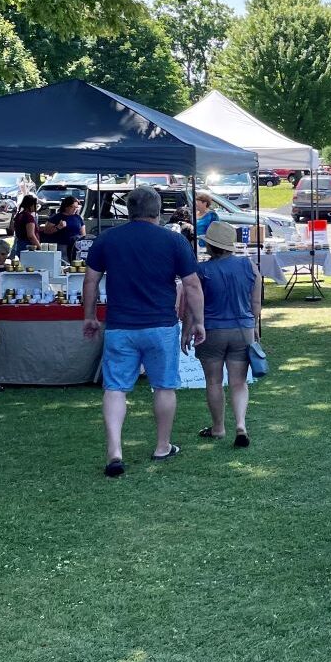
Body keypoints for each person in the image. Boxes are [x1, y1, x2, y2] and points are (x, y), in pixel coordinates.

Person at [82, 186, 204, 477]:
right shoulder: (174, 241)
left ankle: (114, 450)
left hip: (121, 325)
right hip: (160, 325)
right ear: (158, 210)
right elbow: (192, 285)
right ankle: (162, 445)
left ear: (129, 210)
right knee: (163, 386)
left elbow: (90, 281)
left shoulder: (107, 239)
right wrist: (198, 321)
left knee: (115, 388)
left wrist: (88, 316)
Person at [194, 221, 260, 448]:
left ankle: (218, 427)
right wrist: (255, 327)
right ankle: (240, 424)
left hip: (212, 329)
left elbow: (194, 305)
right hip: (243, 328)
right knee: (239, 382)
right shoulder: (248, 265)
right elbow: (256, 303)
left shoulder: (202, 270)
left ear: (210, 246)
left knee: (213, 381)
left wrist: (189, 328)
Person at [40, 194, 85, 261]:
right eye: (72, 207)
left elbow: (83, 234)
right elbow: (46, 231)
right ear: (66, 207)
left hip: (75, 247)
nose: (75, 209)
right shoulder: (57, 217)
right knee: (63, 263)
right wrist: (58, 227)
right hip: (61, 246)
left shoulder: (78, 218)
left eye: (76, 207)